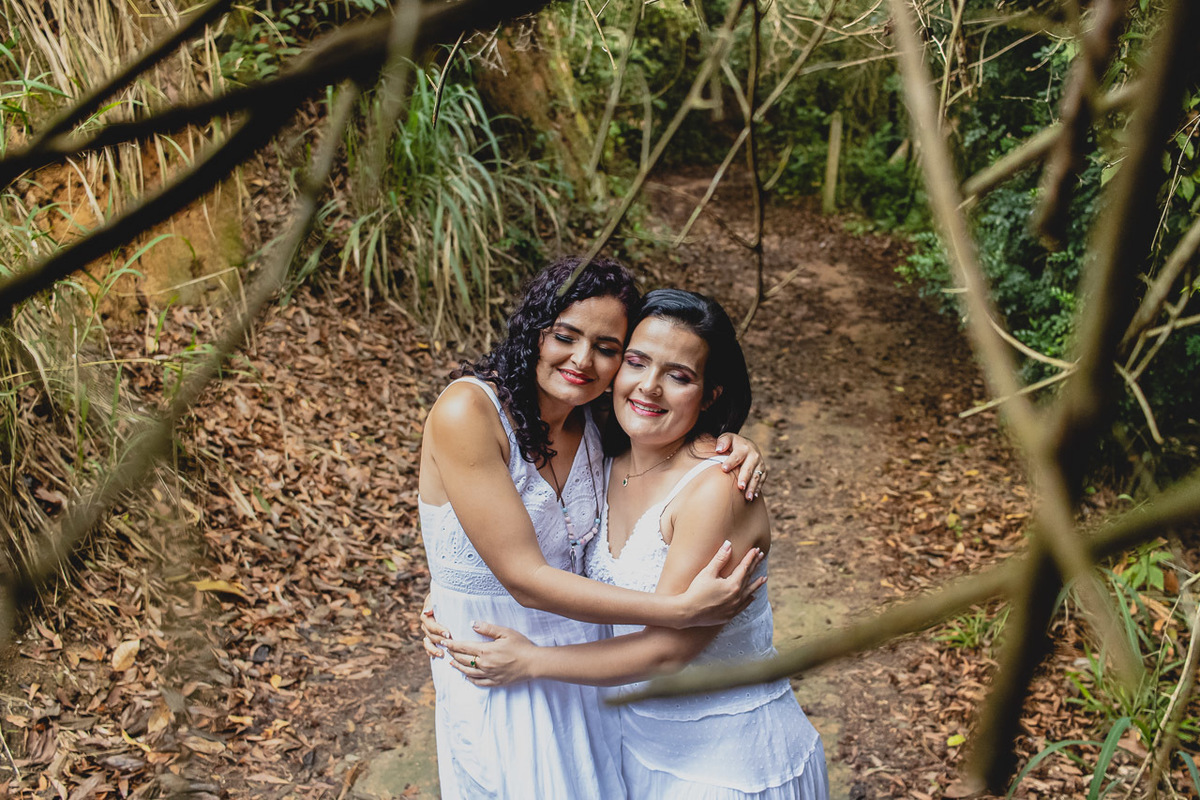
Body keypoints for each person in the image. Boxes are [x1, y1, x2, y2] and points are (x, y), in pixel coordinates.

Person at [441, 289, 829, 799]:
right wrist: (453, 590)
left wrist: (532, 662)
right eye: (637, 362)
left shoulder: (717, 489)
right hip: (631, 748)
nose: (649, 387)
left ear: (710, 395)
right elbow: (545, 544)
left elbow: (667, 650)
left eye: (679, 376)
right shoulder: (603, 456)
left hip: (726, 765)